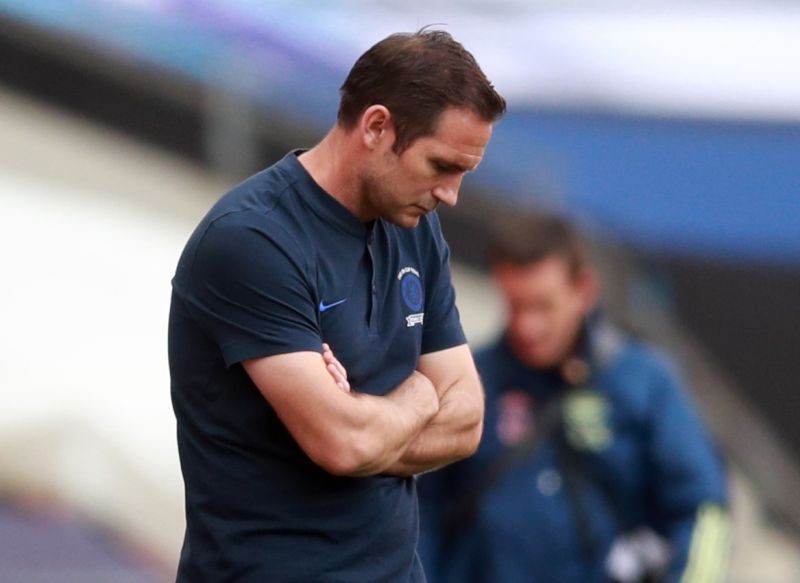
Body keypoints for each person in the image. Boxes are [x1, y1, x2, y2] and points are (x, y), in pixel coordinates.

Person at [168, 29, 506, 582]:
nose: (451, 194)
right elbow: (344, 443)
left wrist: (370, 424)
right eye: (442, 166)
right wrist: (420, 395)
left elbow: (466, 419)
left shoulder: (417, 230)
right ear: (376, 127)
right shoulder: (252, 239)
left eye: (464, 174)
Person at [418, 212, 730, 583]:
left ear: (584, 290)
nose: (526, 326)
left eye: (543, 306)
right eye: (515, 305)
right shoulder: (468, 381)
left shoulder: (645, 382)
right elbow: (422, 514)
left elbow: (705, 510)